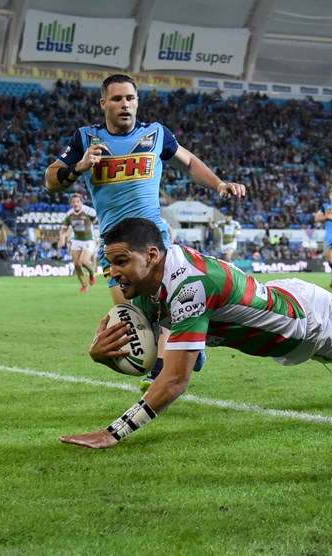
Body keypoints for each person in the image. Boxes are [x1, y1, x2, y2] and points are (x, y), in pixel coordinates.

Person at [58, 217, 332, 449]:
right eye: (109, 262)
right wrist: (106, 356)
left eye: (118, 262)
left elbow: (175, 378)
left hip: (304, 324)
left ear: (151, 255)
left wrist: (113, 431)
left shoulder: (187, 285)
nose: (110, 272)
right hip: (286, 307)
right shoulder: (154, 283)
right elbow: (152, 357)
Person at [44, 73, 246, 392]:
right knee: (136, 323)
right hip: (114, 247)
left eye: (130, 98)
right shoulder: (86, 138)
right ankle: (186, 351)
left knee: (167, 313)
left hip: (155, 241)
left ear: (137, 102)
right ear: (104, 104)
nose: (124, 104)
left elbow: (189, 162)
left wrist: (219, 184)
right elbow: (51, 180)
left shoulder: (156, 134)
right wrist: (78, 168)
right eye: (117, 99)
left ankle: (165, 370)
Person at [57, 193, 98, 292]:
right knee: (76, 264)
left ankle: (92, 273)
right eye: (73, 202)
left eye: (77, 201)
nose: (75, 204)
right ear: (71, 203)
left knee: (83, 262)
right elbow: (63, 229)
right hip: (76, 240)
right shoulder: (69, 214)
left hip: (89, 239)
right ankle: (84, 286)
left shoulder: (88, 211)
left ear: (81, 202)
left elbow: (96, 219)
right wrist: (62, 238)